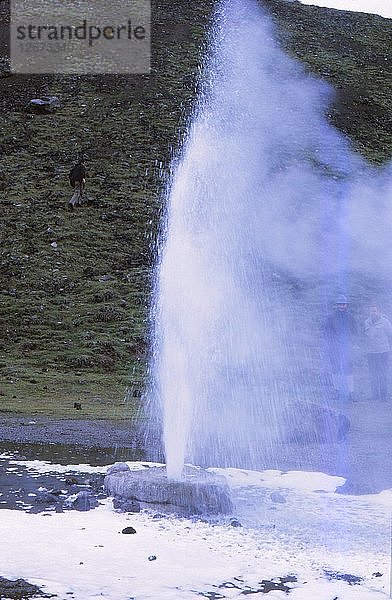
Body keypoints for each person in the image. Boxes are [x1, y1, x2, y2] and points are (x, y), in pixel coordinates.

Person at [323, 294, 358, 401]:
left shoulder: (350, 317)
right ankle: (337, 391)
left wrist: (354, 344)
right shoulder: (331, 317)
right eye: (340, 304)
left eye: (343, 304)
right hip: (334, 348)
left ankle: (351, 393)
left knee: (349, 370)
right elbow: (325, 332)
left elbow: (355, 332)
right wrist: (329, 344)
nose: (342, 306)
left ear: (346, 305)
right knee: (336, 370)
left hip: (347, 347)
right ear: (337, 305)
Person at [364, 303, 392, 402]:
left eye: (375, 311)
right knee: (373, 374)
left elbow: (390, 335)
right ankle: (375, 396)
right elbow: (366, 336)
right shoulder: (366, 322)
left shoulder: (386, 322)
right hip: (371, 352)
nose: (373, 313)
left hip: (383, 352)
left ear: (379, 311)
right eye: (371, 311)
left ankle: (383, 396)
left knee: (382, 373)